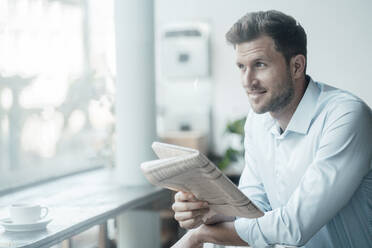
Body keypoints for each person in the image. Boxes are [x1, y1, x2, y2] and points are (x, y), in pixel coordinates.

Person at [171, 10, 372, 248]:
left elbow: (294, 226)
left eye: (260, 65)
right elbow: (254, 211)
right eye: (241, 67)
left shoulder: (345, 116)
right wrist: (208, 213)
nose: (247, 81)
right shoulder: (258, 122)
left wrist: (202, 234)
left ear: (296, 66)